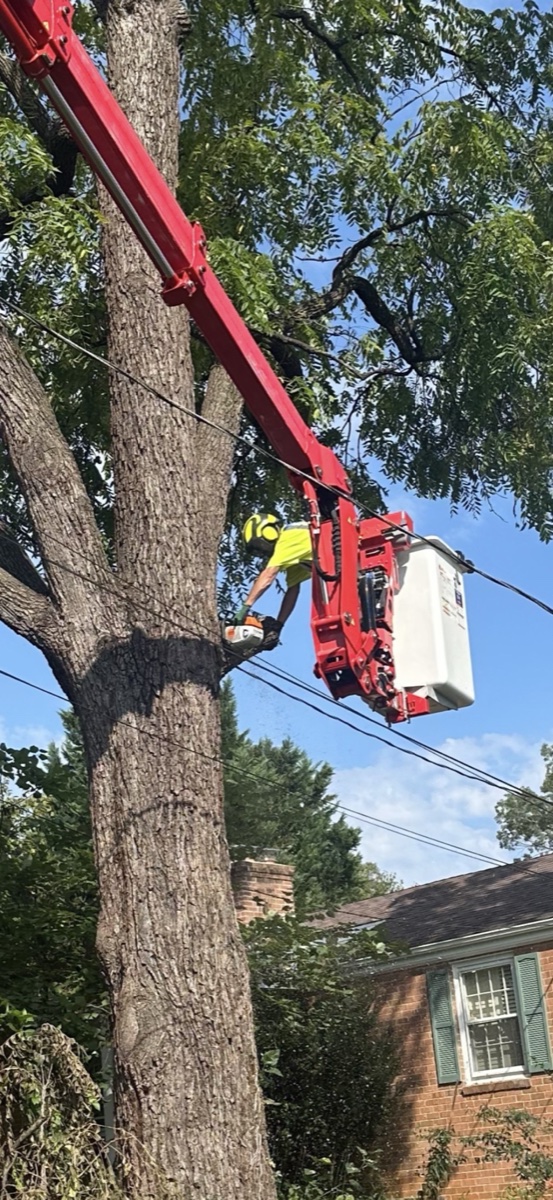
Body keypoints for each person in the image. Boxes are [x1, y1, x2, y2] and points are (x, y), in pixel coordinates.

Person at [234, 513, 312, 645]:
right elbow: (293, 589)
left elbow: (269, 574)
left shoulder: (288, 537)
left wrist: (245, 607)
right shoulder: (293, 553)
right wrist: (278, 625)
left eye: (259, 547)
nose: (262, 553)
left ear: (268, 533)